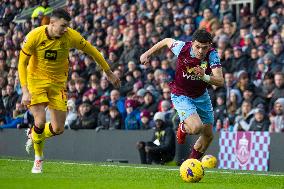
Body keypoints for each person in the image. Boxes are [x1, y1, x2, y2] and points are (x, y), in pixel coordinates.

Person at [18, 9, 120, 173]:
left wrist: (108, 71)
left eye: (67, 26)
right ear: (51, 23)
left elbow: (92, 51)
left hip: (58, 83)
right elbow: (22, 63)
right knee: (40, 120)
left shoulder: (71, 36)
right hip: (36, 81)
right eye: (63, 26)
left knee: (58, 128)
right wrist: (24, 90)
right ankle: (38, 159)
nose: (66, 29)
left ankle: (35, 134)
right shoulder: (34, 36)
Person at [140, 29, 224, 160]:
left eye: (205, 48)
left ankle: (191, 164)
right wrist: (147, 53)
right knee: (196, 128)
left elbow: (220, 81)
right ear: (192, 44)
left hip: (201, 96)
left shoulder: (212, 55)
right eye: (198, 47)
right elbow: (166, 41)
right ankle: (183, 127)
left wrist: (205, 76)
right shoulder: (182, 48)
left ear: (210, 46)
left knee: (208, 135)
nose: (201, 51)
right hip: (181, 94)